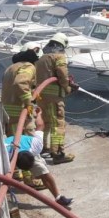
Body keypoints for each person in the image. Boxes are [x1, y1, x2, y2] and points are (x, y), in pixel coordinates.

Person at [0, 108, 74, 207]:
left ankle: (58, 197)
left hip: (27, 149)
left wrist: (39, 114)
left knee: (44, 173)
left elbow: (40, 125)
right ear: (16, 164)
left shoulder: (36, 146)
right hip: (10, 151)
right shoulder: (3, 155)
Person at [1, 42, 44, 190]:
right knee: (27, 145)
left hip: (8, 112)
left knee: (15, 145)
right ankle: (31, 179)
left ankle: (16, 173)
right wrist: (29, 102)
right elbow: (20, 82)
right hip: (20, 114)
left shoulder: (11, 67)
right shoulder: (28, 66)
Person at [35, 32, 78, 164]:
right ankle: (58, 153)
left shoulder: (42, 58)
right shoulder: (59, 56)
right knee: (58, 124)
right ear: (62, 45)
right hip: (54, 98)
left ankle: (43, 148)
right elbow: (62, 74)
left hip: (41, 97)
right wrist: (68, 88)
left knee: (47, 123)